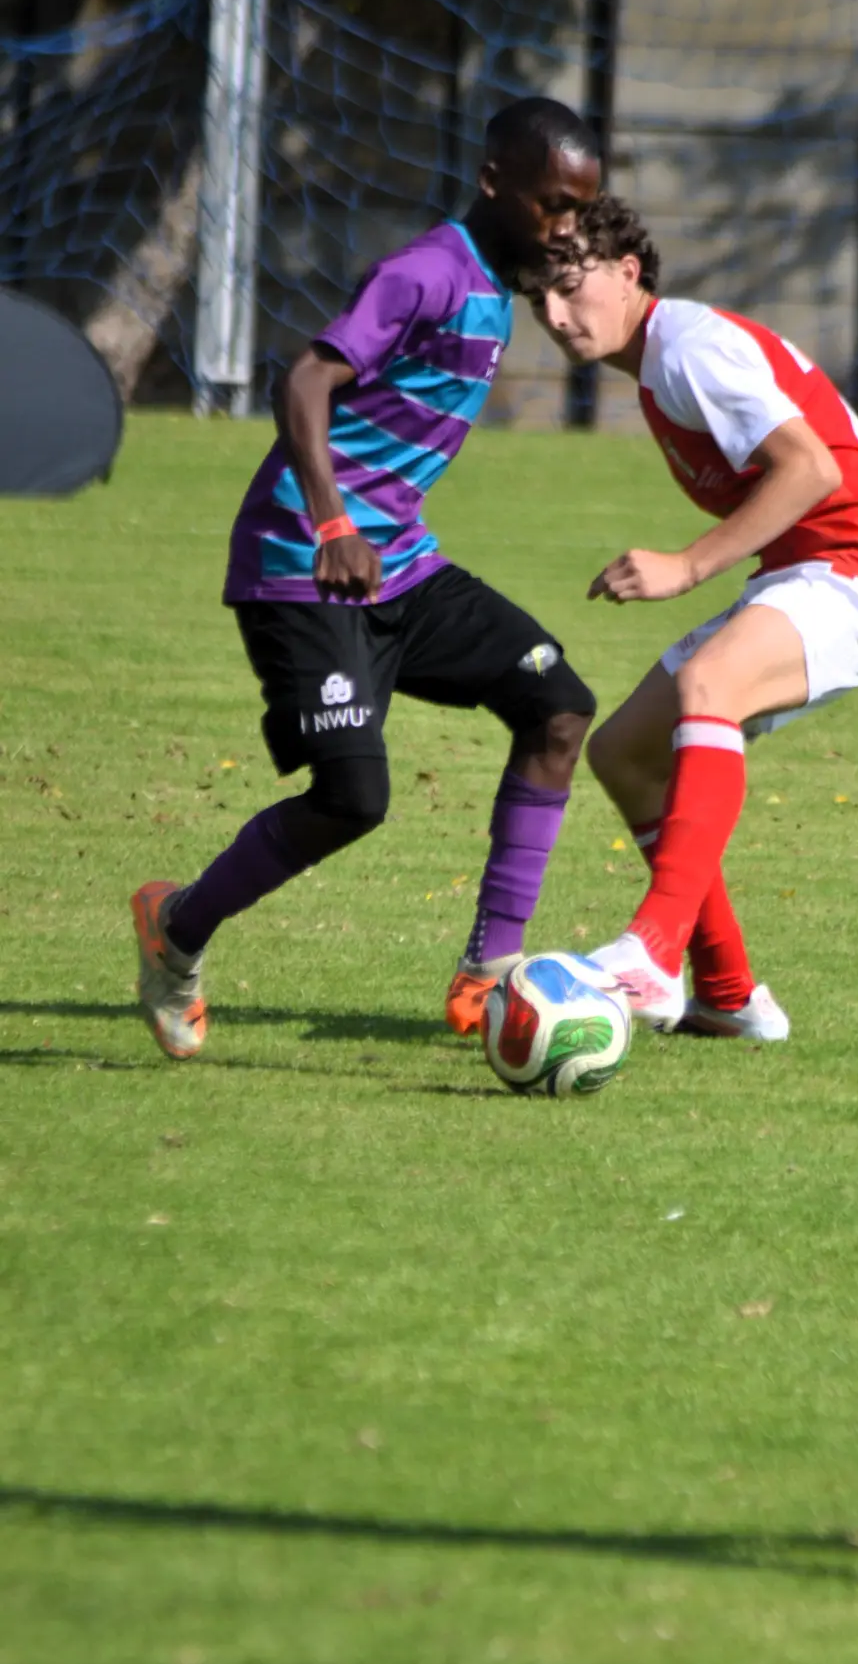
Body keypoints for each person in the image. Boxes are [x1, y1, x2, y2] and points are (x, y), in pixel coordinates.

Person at [132, 98, 601, 1058]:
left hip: (400, 568)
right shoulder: (425, 273)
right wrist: (333, 522)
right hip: (303, 565)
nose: (564, 227)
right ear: (492, 184)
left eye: (578, 210)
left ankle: (489, 972)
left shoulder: (501, 284)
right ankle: (175, 929)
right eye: (552, 206)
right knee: (353, 800)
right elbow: (303, 380)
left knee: (558, 706)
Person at [526, 195, 858, 1037]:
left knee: (709, 684)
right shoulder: (658, 360)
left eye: (572, 288)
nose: (558, 317)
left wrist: (686, 567)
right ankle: (728, 993)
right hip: (824, 575)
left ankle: (651, 949)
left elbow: (811, 470)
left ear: (628, 272)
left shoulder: (689, 351)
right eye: (541, 301)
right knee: (626, 752)